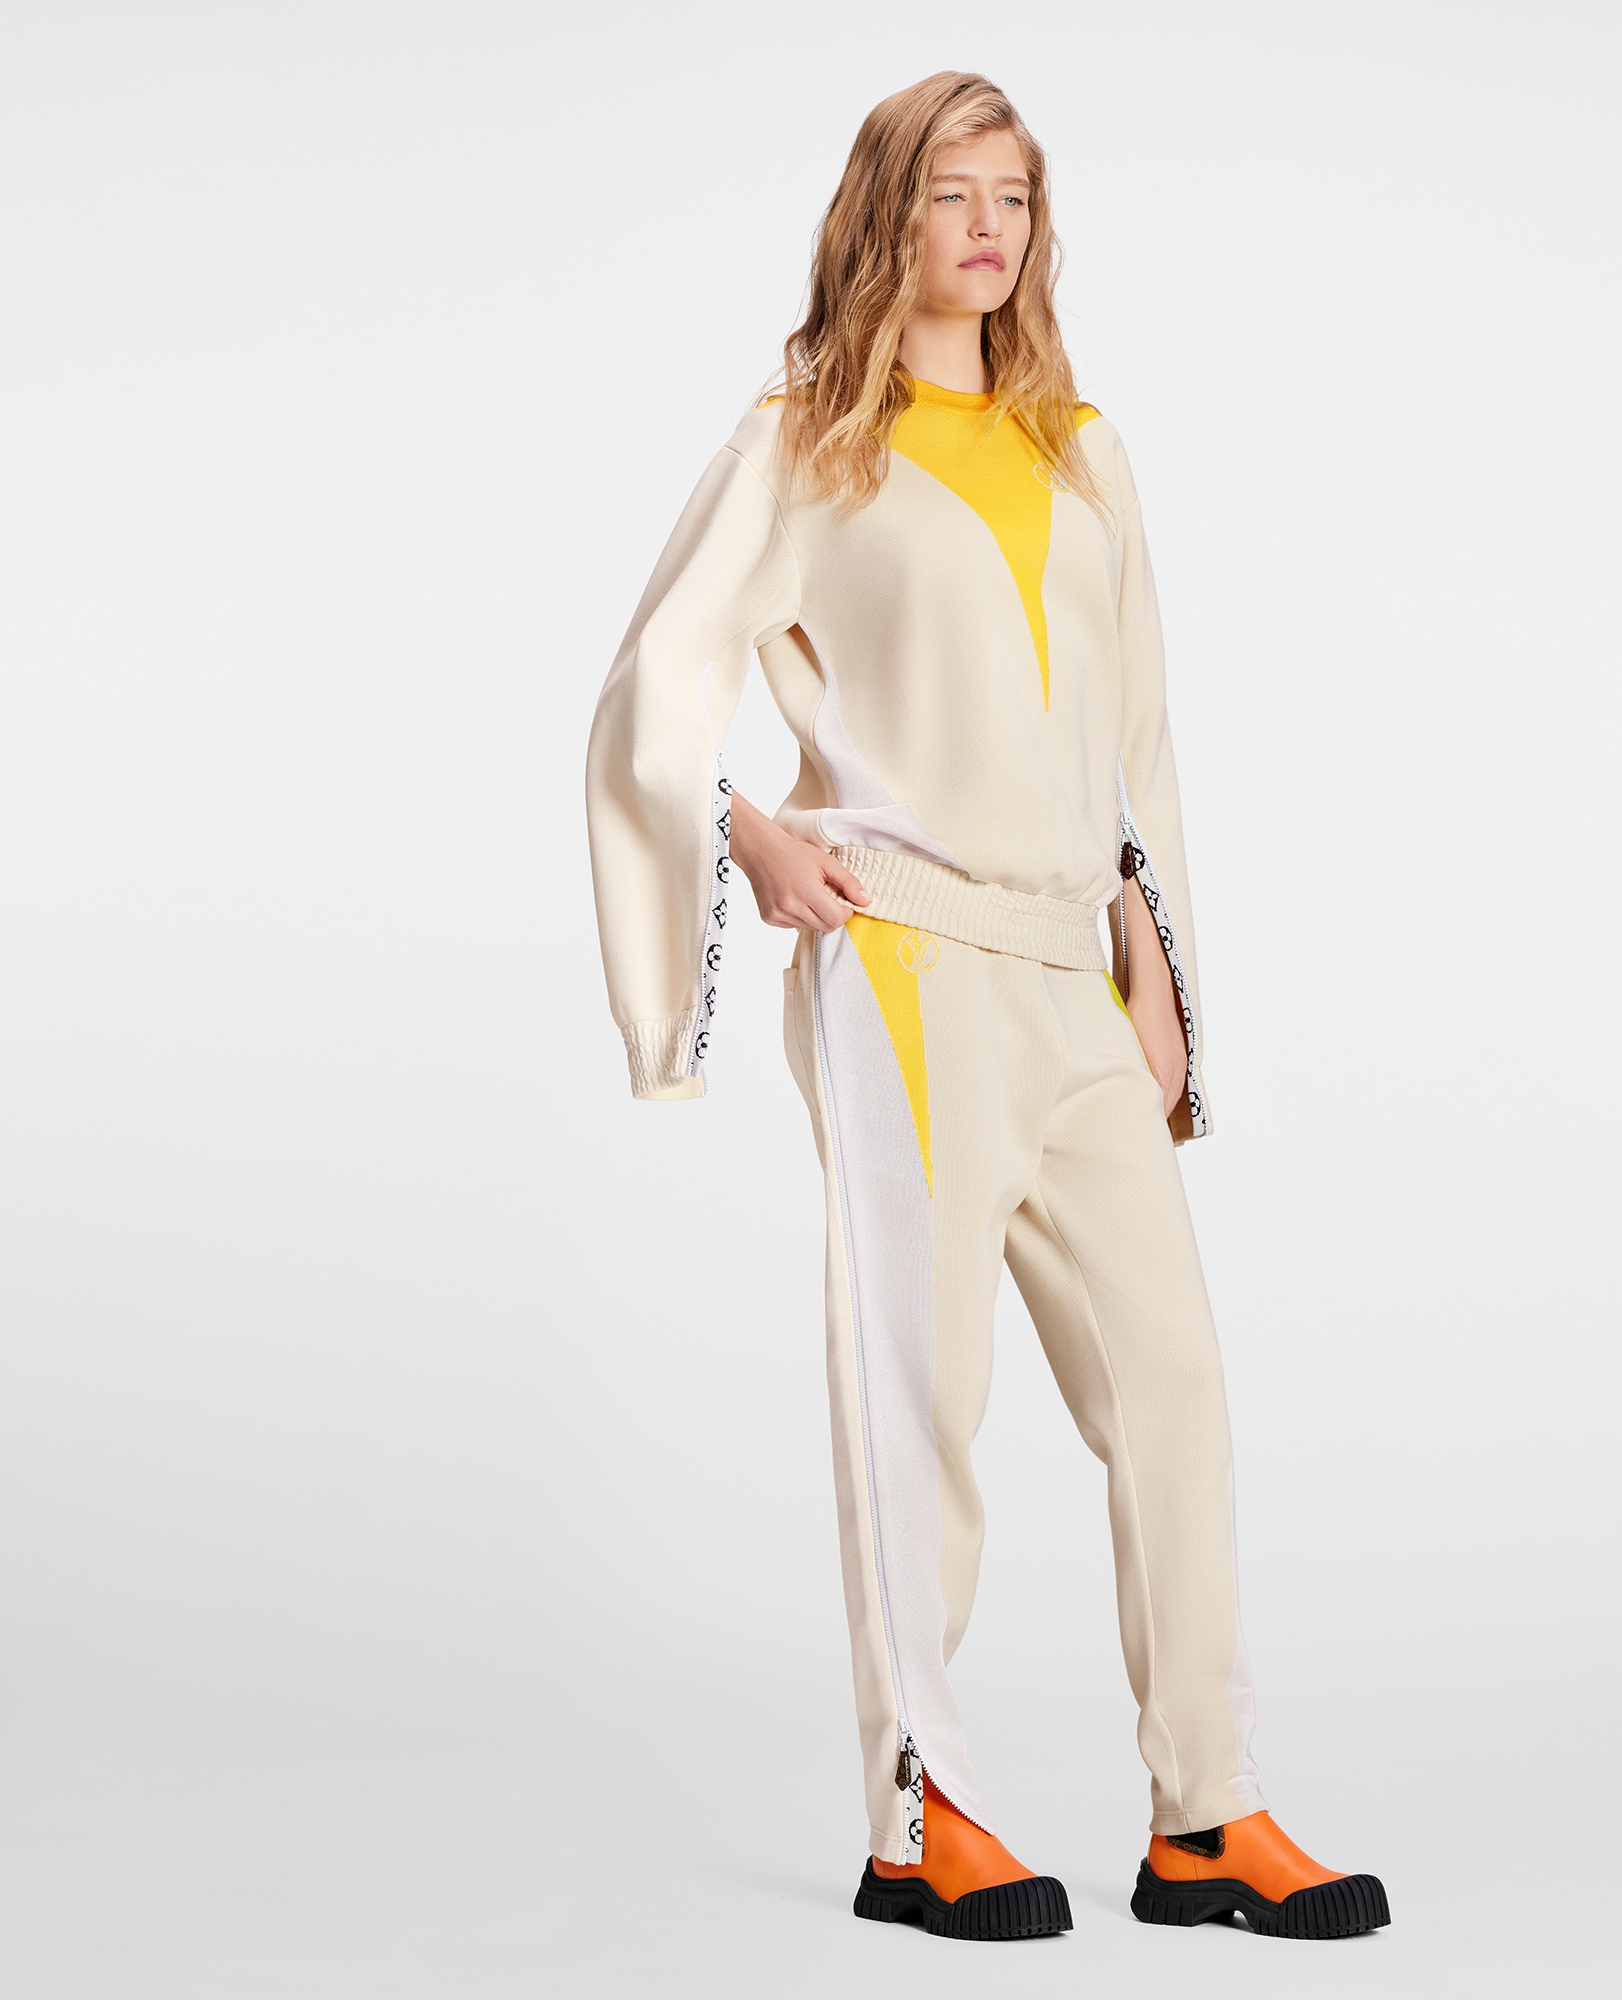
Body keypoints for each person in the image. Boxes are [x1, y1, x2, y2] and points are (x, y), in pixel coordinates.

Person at [584, 71, 1388, 1944]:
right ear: (890, 214)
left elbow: (1131, 738)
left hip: (1072, 977)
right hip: (909, 959)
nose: (988, 229)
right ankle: (917, 1815)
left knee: (1172, 1385)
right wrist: (748, 833)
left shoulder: (1084, 451)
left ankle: (1208, 1814)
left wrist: (1158, 967)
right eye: (952, 193)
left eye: (1014, 197)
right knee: (919, 1400)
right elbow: (650, 687)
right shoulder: (807, 443)